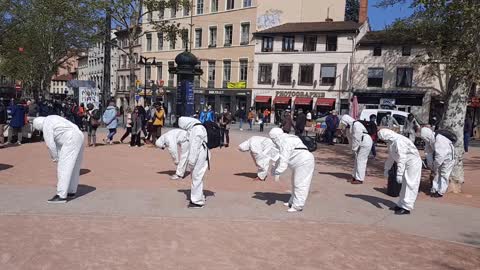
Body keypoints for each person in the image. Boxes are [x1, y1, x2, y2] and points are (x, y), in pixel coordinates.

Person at [32, 116, 84, 203]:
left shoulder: (46, 125)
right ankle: (71, 191)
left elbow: (50, 144)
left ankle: (61, 195)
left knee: (63, 168)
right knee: (75, 166)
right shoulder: (54, 118)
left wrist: (55, 158)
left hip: (71, 138)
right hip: (79, 135)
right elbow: (60, 141)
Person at [269, 128, 315, 212]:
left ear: (276, 137)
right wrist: (273, 168)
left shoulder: (285, 141)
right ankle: (292, 202)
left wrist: (279, 170)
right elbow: (276, 157)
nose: (272, 140)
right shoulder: (283, 140)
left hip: (304, 161)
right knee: (295, 182)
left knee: (300, 183)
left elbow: (283, 158)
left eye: (272, 138)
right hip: (298, 163)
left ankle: (298, 206)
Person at [378, 129, 422, 215]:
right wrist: (387, 168)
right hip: (406, 163)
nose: (383, 140)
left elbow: (402, 158)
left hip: (412, 163)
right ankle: (401, 204)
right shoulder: (391, 142)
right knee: (404, 184)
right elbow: (391, 156)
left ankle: (407, 207)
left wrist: (399, 174)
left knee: (410, 184)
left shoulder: (399, 141)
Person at [178, 117, 210, 208]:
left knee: (196, 177)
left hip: (199, 155)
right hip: (202, 154)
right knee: (198, 177)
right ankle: (199, 197)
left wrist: (191, 161)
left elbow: (194, 147)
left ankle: (197, 201)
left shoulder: (196, 129)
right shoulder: (197, 127)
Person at [420, 127, 455, 198]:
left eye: (425, 138)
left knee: (444, 174)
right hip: (439, 156)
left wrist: (434, 166)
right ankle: (434, 189)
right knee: (436, 173)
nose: (424, 140)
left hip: (448, 157)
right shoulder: (429, 140)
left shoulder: (439, 139)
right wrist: (431, 165)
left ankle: (440, 192)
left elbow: (440, 156)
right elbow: (428, 152)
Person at [340, 115, 373, 184]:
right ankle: (354, 176)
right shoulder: (350, 127)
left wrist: (354, 148)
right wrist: (353, 149)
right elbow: (351, 139)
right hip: (361, 142)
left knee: (361, 160)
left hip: (365, 142)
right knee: (357, 160)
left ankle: (360, 179)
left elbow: (357, 138)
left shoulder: (356, 125)